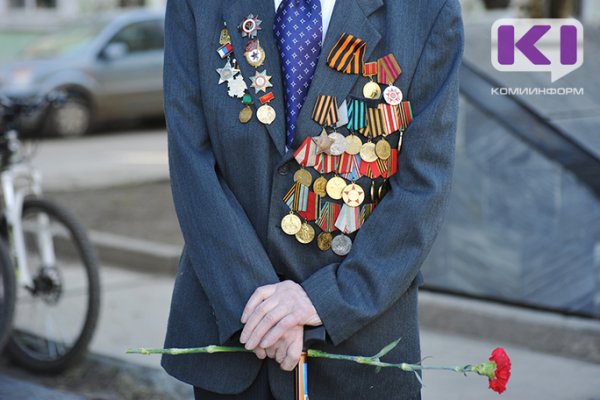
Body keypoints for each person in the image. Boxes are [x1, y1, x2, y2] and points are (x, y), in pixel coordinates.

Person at [160, 0, 464, 398]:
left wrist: (326, 301)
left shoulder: (426, 11)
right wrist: (266, 314)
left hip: (358, 348)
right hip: (236, 337)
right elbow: (191, 165)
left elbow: (423, 187)